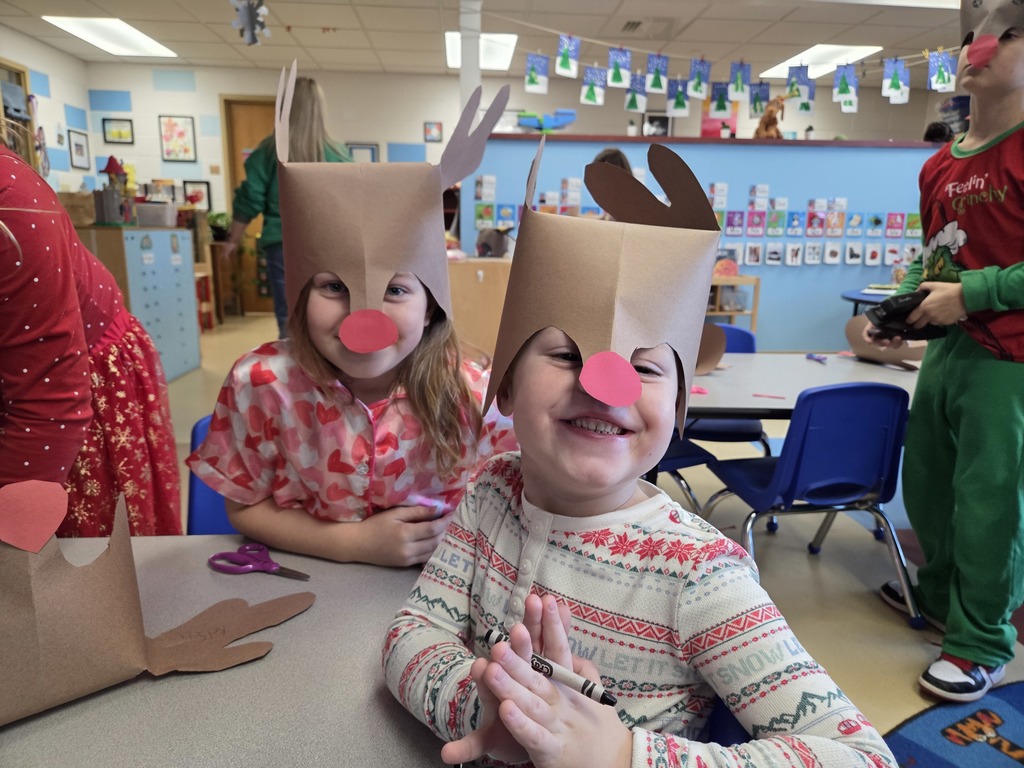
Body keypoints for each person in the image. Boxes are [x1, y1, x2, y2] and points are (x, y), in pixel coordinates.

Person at [383, 142, 897, 767]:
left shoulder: (700, 576)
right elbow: (411, 634)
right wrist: (494, 709)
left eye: (647, 366)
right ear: (506, 388)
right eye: (566, 355)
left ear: (678, 408)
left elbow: (862, 756)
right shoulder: (492, 492)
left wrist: (624, 753)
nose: (604, 385)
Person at [187, 69, 516, 566]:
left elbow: (517, 502)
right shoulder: (262, 383)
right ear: (299, 294)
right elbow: (243, 505)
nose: (365, 316)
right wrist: (351, 544)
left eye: (396, 290)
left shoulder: (474, 395)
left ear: (431, 308)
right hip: (312, 588)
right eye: (334, 287)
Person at [868, 2, 1024, 703]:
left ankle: (982, 640)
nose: (978, 46)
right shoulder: (938, 165)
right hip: (948, 358)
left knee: (990, 503)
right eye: (969, 35)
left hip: (1008, 362)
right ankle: (938, 601)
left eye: (1005, 34)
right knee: (928, 488)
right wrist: (901, 311)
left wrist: (972, 295)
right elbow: (931, 257)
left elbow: (971, 280)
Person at [0, 143, 181, 536]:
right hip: (39, 386)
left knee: (84, 569)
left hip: (63, 395)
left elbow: (48, 409)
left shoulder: (12, 205)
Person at [226, 76, 352, 338]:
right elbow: (348, 206)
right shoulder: (338, 155)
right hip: (327, 244)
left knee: (288, 313)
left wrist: (234, 239)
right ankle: (325, 373)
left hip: (282, 244)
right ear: (319, 109)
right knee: (330, 310)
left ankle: (291, 375)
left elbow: (250, 198)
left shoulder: (269, 151)